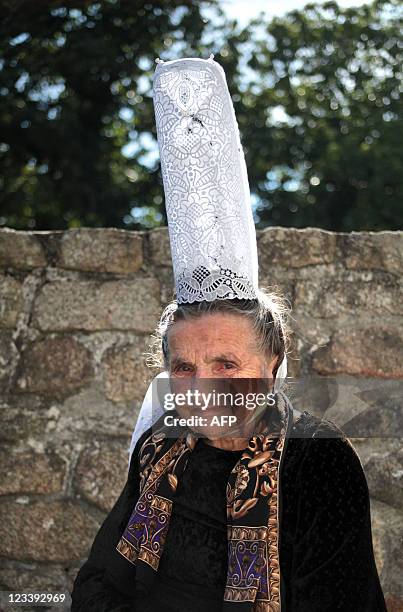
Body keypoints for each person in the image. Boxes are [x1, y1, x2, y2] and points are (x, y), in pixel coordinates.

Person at [71, 56, 387, 611]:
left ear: (272, 364)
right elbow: (101, 580)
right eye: (184, 368)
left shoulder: (318, 463)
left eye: (227, 365)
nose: (203, 388)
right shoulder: (160, 447)